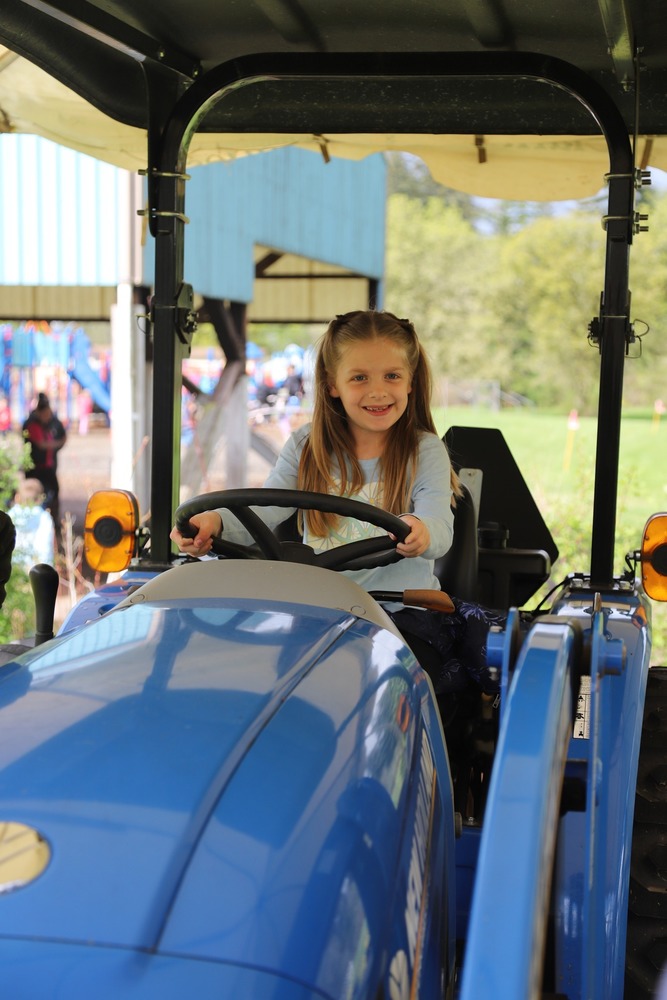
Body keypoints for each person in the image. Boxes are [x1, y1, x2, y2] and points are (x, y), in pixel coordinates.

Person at [171, 309, 505, 696]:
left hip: (401, 615)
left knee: (406, 690)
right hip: (319, 610)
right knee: (263, 682)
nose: (378, 391)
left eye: (392, 376)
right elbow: (265, 509)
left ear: (411, 382)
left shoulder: (423, 450)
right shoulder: (306, 446)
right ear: (332, 385)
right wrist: (214, 521)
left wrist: (421, 528)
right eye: (360, 377)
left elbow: (438, 525)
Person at [22, 392, 67, 535]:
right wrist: (57, 443)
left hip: (48, 467)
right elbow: (41, 444)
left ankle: (53, 523)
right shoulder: (32, 424)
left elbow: (59, 435)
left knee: (53, 493)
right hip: (36, 469)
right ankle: (34, 523)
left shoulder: (49, 423)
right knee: (36, 495)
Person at [9, 476, 56, 573]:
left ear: (17, 497)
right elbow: (46, 549)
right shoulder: (44, 518)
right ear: (40, 499)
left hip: (12, 571)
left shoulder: (9, 516)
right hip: (36, 572)